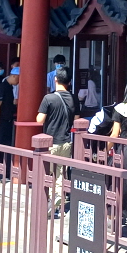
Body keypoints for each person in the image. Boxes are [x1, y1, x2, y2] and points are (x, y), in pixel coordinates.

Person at [36, 66, 77, 214]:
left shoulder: (49, 98)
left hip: (51, 142)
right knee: (61, 173)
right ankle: (58, 199)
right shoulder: (73, 98)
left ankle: (48, 202)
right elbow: (77, 119)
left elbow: (40, 120)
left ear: (55, 79)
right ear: (69, 81)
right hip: (66, 141)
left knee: (48, 174)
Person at [0, 65, 18, 147]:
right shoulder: (2, 87)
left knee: (6, 144)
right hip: (0, 120)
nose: (19, 82)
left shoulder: (10, 87)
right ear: (14, 76)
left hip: (8, 120)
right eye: (18, 78)